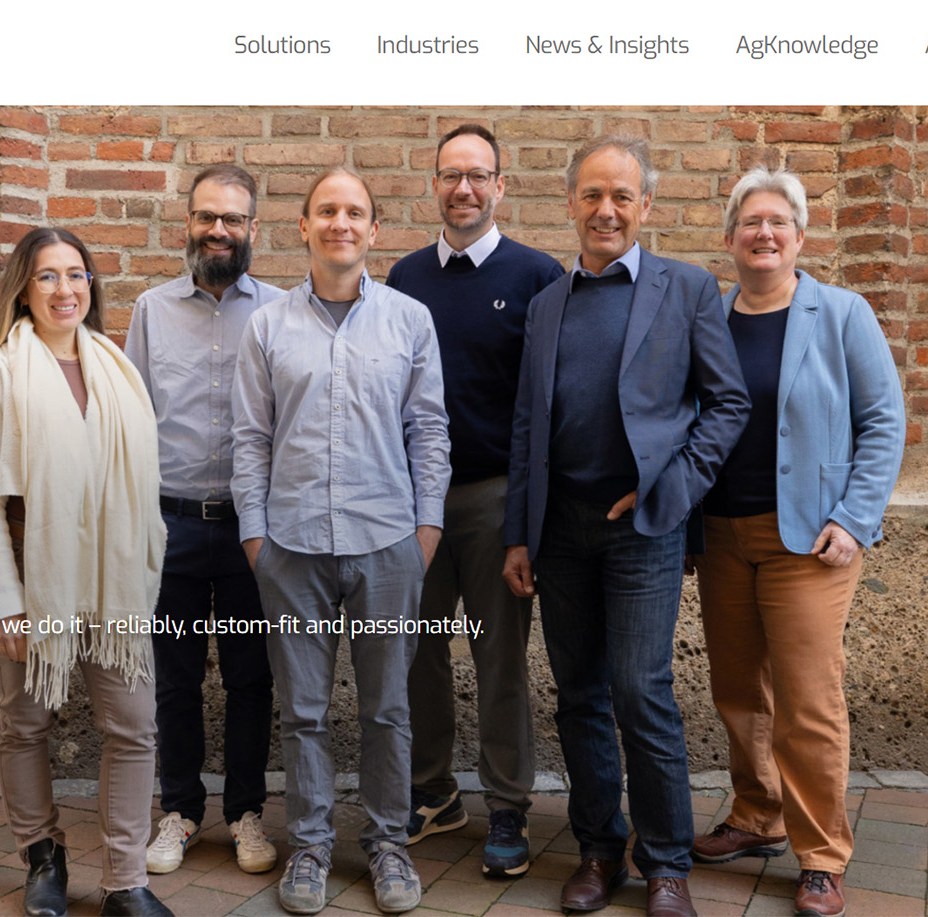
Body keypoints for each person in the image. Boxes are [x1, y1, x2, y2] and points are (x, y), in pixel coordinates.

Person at [502, 137, 749, 917]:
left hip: (643, 525)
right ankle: (599, 848)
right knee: (578, 694)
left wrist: (669, 490)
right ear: (570, 202)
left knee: (641, 691)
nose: (605, 210)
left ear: (646, 206)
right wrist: (519, 533)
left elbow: (727, 402)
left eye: (622, 196)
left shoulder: (686, 289)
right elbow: (524, 426)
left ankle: (667, 860)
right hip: (562, 530)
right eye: (591, 195)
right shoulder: (548, 301)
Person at [231, 167, 450, 915]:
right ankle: (313, 845)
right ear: (303, 225)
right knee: (305, 710)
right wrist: (256, 534)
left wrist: (426, 529)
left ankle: (388, 842)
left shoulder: (409, 320)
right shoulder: (268, 326)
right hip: (290, 544)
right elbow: (250, 437)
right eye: (327, 210)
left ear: (374, 228)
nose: (340, 224)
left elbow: (429, 430)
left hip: (388, 539)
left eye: (355, 211)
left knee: (388, 706)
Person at [689, 166, 905, 917]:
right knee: (739, 689)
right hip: (721, 534)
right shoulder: (706, 318)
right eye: (750, 221)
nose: (764, 233)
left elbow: (884, 421)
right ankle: (757, 813)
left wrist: (855, 516)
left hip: (810, 541)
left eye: (779, 220)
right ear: (729, 237)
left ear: (801, 236)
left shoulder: (842, 314)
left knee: (809, 698)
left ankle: (820, 854)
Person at [0, 227, 173, 917]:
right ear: (23, 288)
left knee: (134, 724)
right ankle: (42, 855)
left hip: (114, 584)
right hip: (32, 576)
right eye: (47, 277)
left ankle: (126, 878)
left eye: (76, 275)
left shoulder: (118, 367)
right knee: (25, 723)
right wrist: (1, 601)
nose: (64, 290)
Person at [386, 124, 563, 876]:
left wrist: (526, 518)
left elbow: (543, 408)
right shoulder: (403, 276)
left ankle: (509, 807)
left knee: (499, 659)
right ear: (434, 184)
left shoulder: (537, 276)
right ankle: (432, 792)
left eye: (479, 175)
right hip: (414, 502)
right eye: (451, 174)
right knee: (416, 652)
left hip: (495, 500)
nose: (464, 188)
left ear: (501, 186)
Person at [126, 164, 280, 878]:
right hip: (172, 524)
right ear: (185, 222)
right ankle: (180, 810)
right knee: (174, 677)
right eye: (206, 217)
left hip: (256, 528)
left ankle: (247, 810)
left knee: (253, 676)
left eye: (233, 219)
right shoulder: (151, 311)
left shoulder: (281, 312)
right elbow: (130, 425)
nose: (218, 230)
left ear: (254, 228)